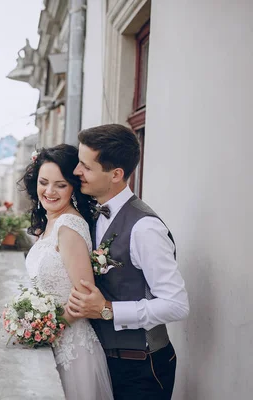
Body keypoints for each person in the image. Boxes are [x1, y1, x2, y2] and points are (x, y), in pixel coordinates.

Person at [67, 124, 190, 400]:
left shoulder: (145, 228)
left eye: (86, 167)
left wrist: (109, 309)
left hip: (141, 368)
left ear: (116, 174)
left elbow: (177, 305)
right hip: (103, 361)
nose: (77, 172)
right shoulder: (94, 213)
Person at [21, 144, 113, 399]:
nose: (49, 191)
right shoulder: (50, 223)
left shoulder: (69, 227)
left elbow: (84, 296)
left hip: (71, 347)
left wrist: (45, 327)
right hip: (54, 339)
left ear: (73, 187)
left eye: (60, 185)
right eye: (44, 182)